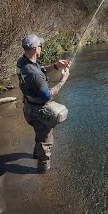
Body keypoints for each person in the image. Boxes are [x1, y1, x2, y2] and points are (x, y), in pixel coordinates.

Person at [16, 34, 71, 174]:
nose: (41, 47)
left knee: (39, 133)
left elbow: (39, 70)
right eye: (40, 45)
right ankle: (42, 168)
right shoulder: (34, 74)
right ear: (35, 49)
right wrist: (63, 79)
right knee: (46, 140)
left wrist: (55, 66)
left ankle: (36, 153)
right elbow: (47, 94)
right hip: (38, 112)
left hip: (28, 108)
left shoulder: (22, 62)